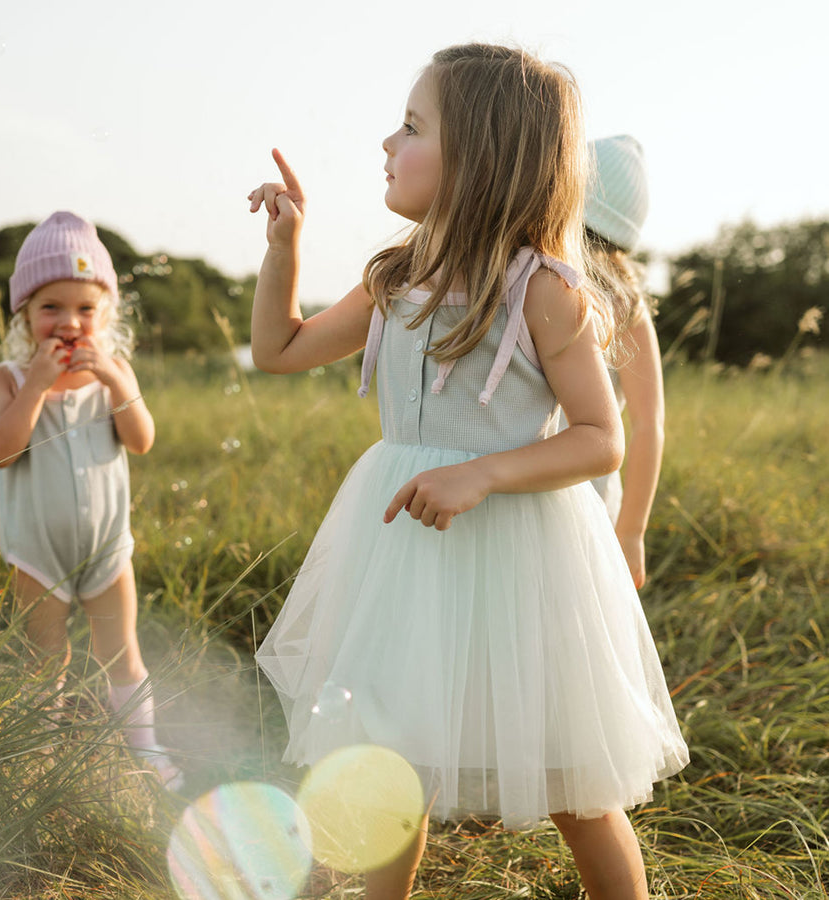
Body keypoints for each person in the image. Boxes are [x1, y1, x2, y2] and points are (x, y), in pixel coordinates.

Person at [248, 44, 688, 900]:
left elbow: (601, 438)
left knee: (575, 784)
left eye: (412, 126)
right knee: (389, 765)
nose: (386, 141)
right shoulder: (395, 276)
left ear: (481, 158)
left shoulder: (544, 291)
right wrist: (285, 247)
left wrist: (482, 474)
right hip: (404, 554)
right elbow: (280, 348)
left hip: (523, 555)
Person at [0, 211, 181, 789]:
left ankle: (145, 749)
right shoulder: (10, 378)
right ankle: (40, 758)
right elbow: (0, 452)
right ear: (24, 313)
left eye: (86, 309)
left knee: (122, 651)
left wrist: (119, 385)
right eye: (51, 308)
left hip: (106, 548)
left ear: (106, 314)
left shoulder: (115, 372)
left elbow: (141, 440)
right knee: (45, 661)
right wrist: (38, 385)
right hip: (37, 553)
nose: (69, 322)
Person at [584, 134, 664, 588]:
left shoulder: (623, 303)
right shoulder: (626, 299)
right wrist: (631, 528)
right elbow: (650, 424)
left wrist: (632, 530)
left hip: (584, 498)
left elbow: (649, 422)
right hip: (581, 488)